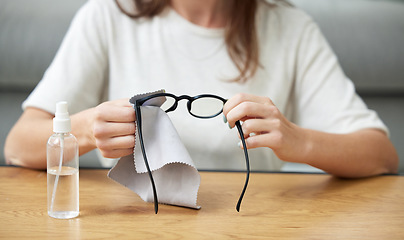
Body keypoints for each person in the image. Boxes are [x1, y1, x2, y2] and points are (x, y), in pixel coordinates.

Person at [4, 0, 398, 178]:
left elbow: (381, 155)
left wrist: (299, 141)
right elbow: (18, 145)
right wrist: (87, 129)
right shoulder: (106, 16)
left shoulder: (290, 29)